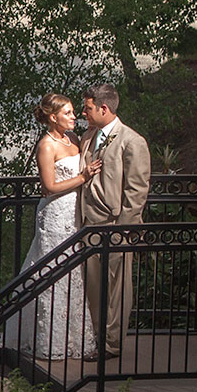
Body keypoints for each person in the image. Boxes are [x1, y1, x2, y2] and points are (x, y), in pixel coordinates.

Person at [5, 93, 96, 361]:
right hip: (55, 215)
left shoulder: (74, 140)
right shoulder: (46, 146)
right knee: (53, 273)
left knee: (74, 274)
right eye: (68, 113)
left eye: (73, 112)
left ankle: (75, 339)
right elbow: (48, 188)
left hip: (75, 215)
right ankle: (50, 342)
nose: (74, 117)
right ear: (53, 117)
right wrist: (83, 177)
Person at [77, 84, 151, 360]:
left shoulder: (132, 141)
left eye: (87, 108)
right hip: (87, 225)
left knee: (117, 290)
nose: (84, 113)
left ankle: (112, 345)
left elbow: (136, 191)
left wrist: (122, 229)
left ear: (103, 108)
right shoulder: (89, 136)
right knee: (95, 289)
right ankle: (96, 339)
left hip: (113, 226)